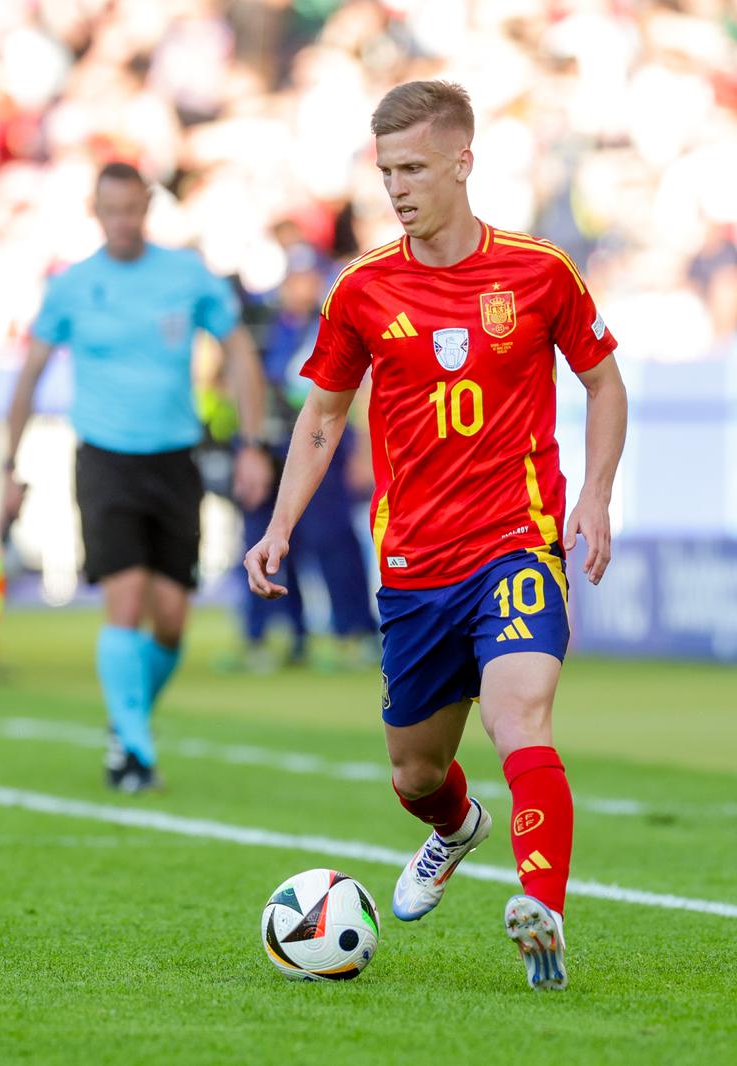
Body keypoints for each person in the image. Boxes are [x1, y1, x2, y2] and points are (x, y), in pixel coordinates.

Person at [244, 81, 628, 991]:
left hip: (517, 544)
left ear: (463, 161)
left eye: (414, 167)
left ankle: (544, 912)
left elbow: (604, 384)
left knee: (519, 715)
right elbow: (322, 419)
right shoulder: (364, 288)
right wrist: (280, 525)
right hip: (415, 565)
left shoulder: (540, 272)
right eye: (387, 171)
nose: (398, 187)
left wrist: (598, 496)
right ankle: (455, 830)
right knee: (417, 772)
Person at [1, 161, 274, 793]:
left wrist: (252, 443)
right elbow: (29, 376)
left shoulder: (185, 275)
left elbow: (236, 348)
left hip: (173, 459)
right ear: (94, 212)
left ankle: (125, 725)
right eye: (111, 210)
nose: (123, 221)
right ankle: (135, 754)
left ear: (147, 207)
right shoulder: (73, 285)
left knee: (173, 620)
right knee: (124, 604)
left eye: (132, 209)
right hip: (105, 459)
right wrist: (8, 468)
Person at [237, 244, 378, 669]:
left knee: (332, 540)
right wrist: (250, 446)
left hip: (326, 445)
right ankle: (279, 634)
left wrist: (367, 450)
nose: (300, 286)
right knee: (267, 538)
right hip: (273, 445)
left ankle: (353, 633)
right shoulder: (263, 325)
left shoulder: (333, 321)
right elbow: (245, 384)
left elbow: (366, 384)